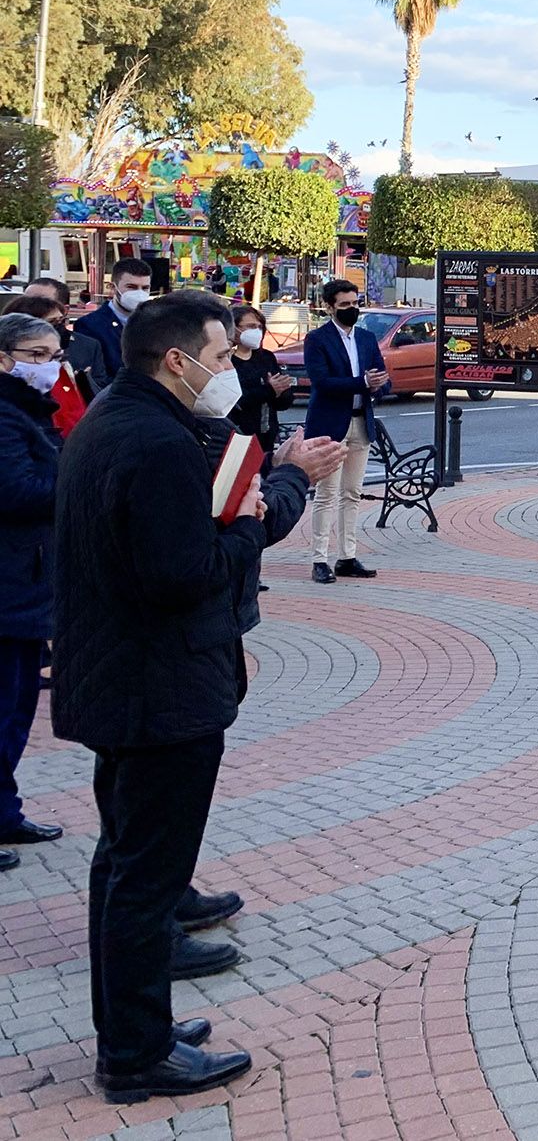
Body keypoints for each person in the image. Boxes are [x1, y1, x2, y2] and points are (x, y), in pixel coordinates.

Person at [52, 291, 342, 1103]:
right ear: (175, 360)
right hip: (158, 686)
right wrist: (257, 509)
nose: (230, 372)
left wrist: (251, 499)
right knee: (145, 876)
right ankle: (136, 1057)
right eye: (220, 359)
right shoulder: (154, 442)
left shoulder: (120, 417)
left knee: (126, 863)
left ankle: (136, 1027)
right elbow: (184, 576)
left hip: (130, 677)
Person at [0, 313, 64, 872]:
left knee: (18, 707)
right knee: (2, 709)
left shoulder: (27, 411)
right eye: (36, 355)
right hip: (8, 584)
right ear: (4, 358)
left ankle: (5, 810)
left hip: (26, 583)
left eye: (54, 354)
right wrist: (74, 476)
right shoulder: (4, 414)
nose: (48, 366)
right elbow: (17, 491)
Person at [302, 280, 391, 583]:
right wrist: (363, 383)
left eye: (355, 304)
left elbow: (380, 377)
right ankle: (319, 559)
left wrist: (379, 385)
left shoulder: (366, 338)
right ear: (329, 307)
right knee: (327, 493)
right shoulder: (317, 339)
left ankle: (347, 557)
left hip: (360, 422)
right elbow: (322, 381)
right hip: (329, 425)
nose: (352, 309)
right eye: (344, 305)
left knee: (352, 493)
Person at [73, 257, 154, 395]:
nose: (139, 293)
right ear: (112, 287)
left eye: (145, 288)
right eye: (131, 287)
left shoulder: (156, 323)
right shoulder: (90, 325)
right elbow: (94, 378)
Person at [227, 305, 295, 449]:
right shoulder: (226, 360)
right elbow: (235, 400)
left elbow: (283, 401)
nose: (256, 331)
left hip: (267, 436)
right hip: (237, 436)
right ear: (234, 328)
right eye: (251, 326)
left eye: (259, 327)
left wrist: (281, 392)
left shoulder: (266, 357)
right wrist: (268, 390)